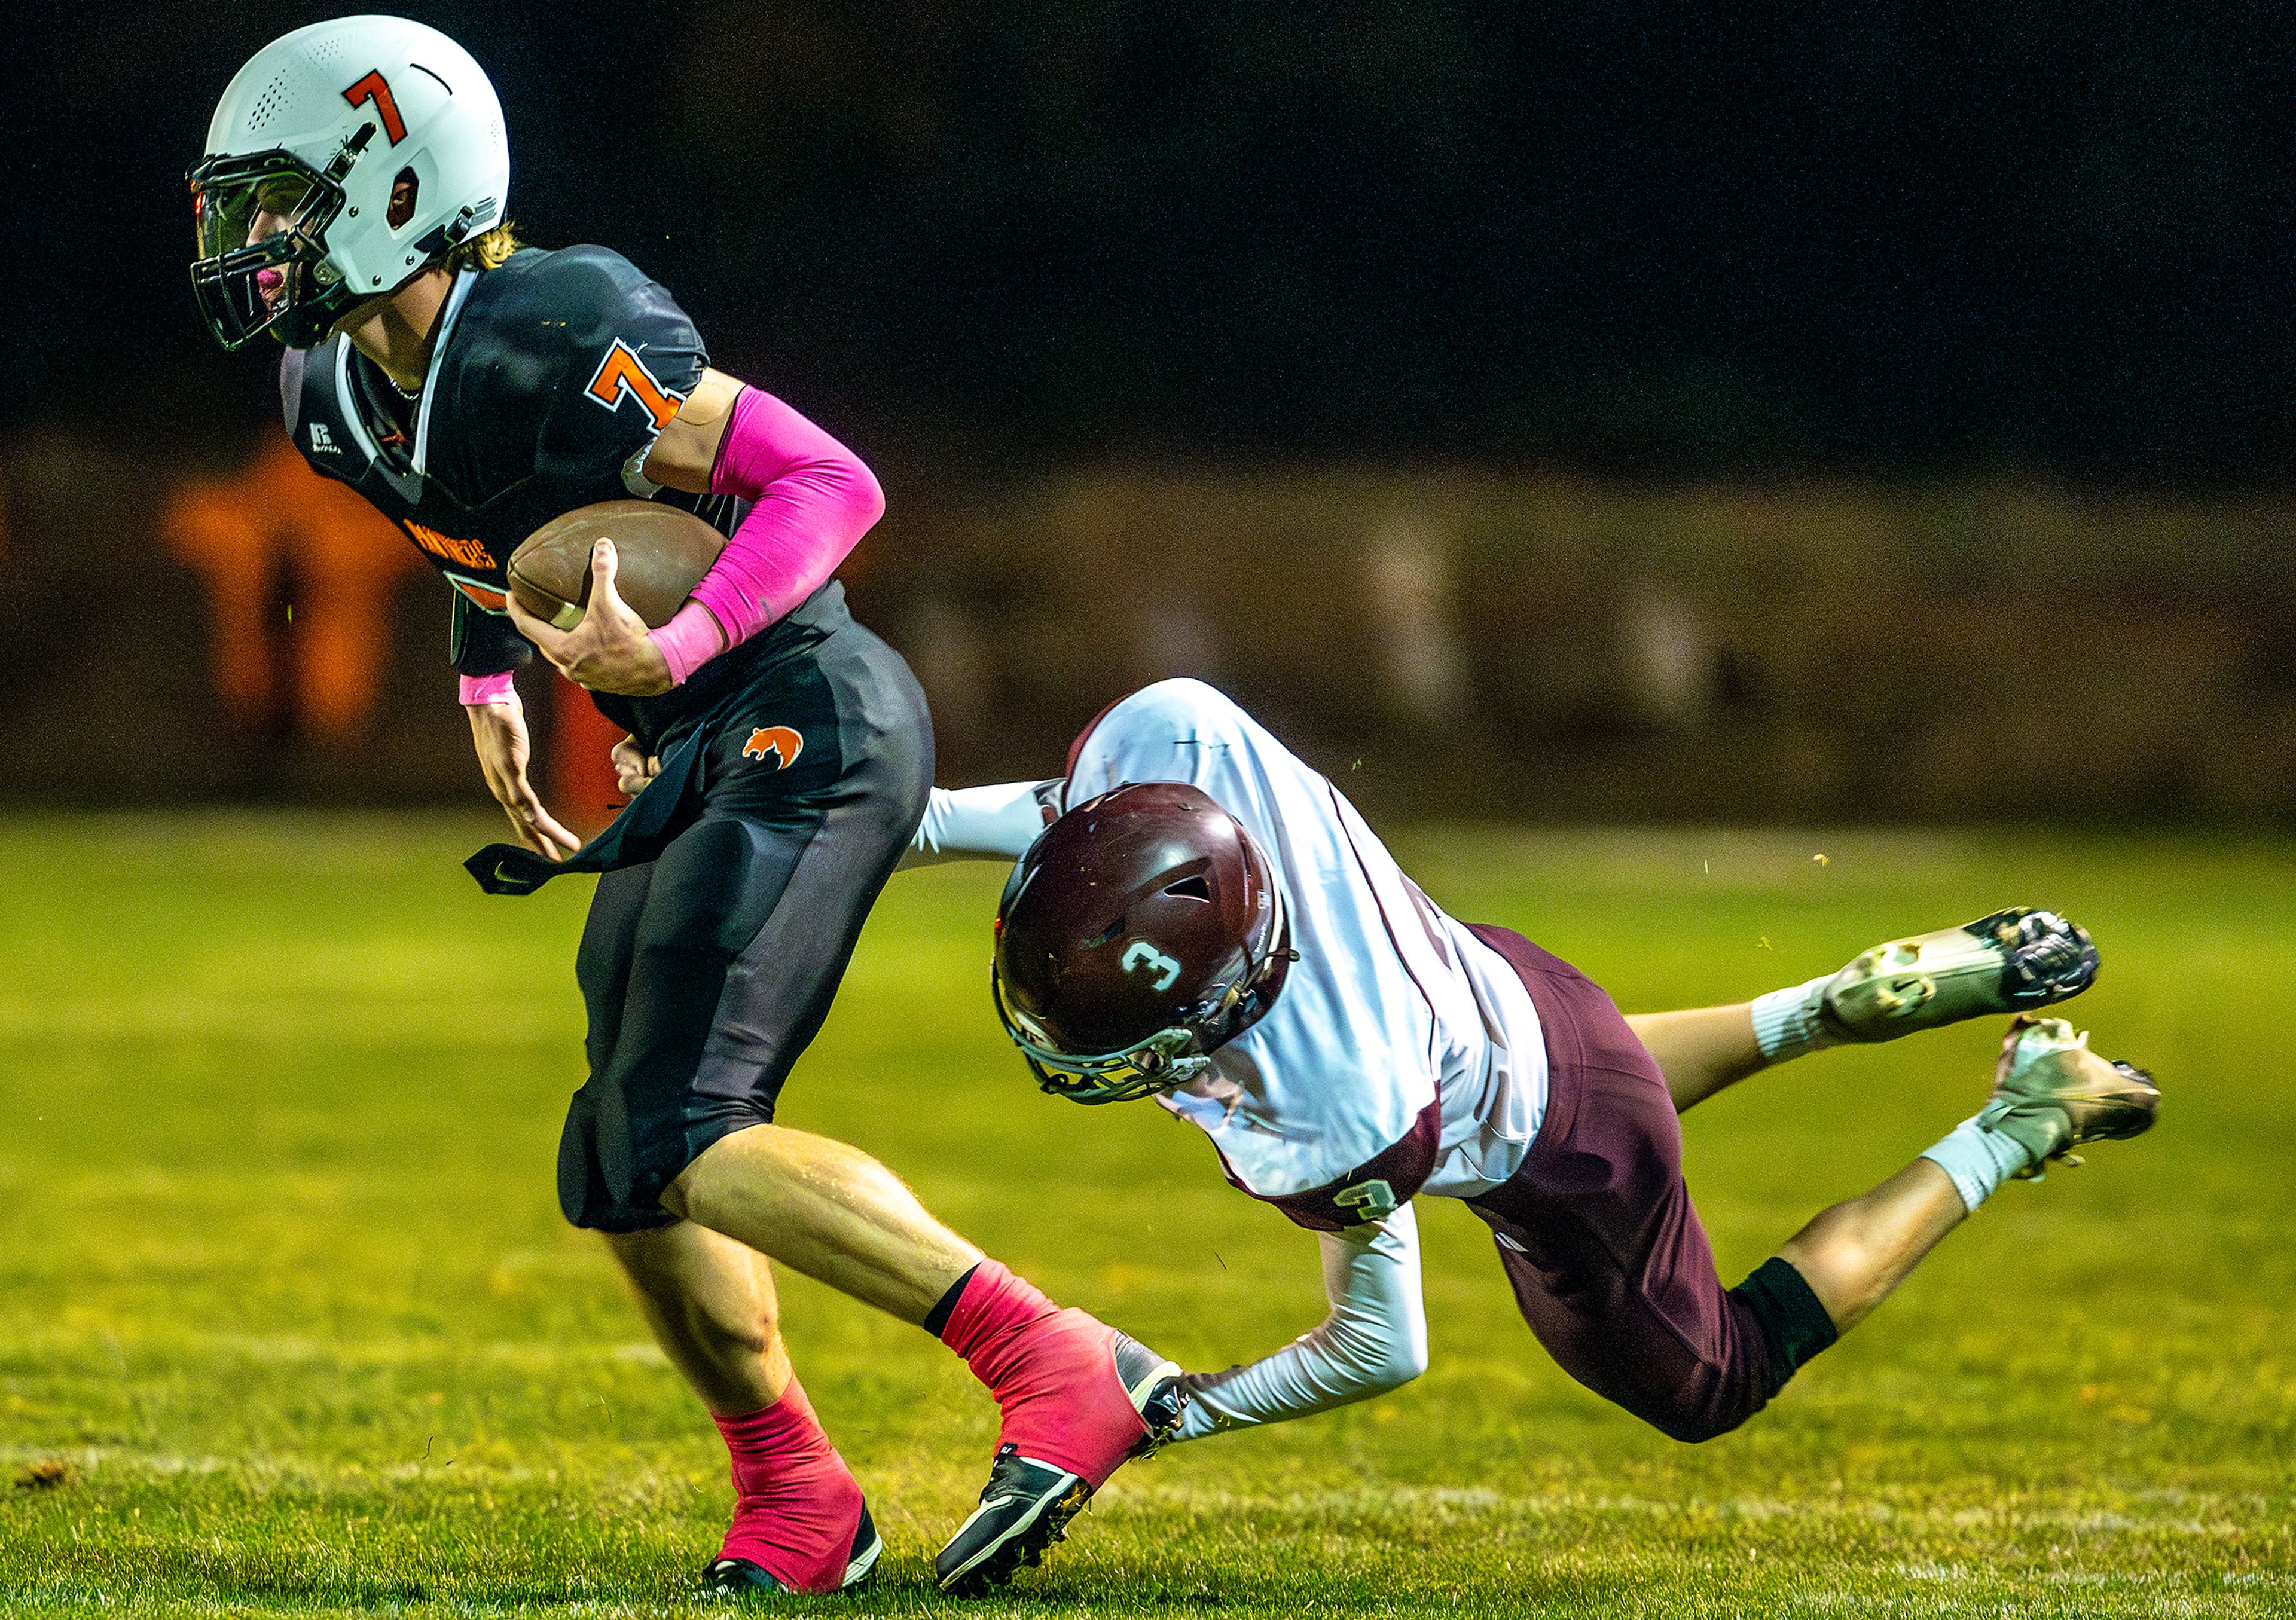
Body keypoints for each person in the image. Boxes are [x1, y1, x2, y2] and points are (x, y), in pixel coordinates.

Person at [188, 17, 1183, 1597]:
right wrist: (488, 687)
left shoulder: (550, 323)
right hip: (689, 752)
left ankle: (1058, 1356)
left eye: (284, 199)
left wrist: (686, 638)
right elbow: (471, 526)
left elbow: (831, 484)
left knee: (691, 1126)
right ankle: (799, 1494)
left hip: (806, 712)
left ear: (395, 188)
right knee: (619, 1157)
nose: (249, 239)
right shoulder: (338, 394)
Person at [900, 678, 2159, 1456]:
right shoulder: (1194, 761)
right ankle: (1825, 1007)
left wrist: (1179, 1407)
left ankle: (2023, 1118)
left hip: (1564, 1154)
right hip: (1526, 999)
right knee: (1573, 1090)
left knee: (1715, 1376)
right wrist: (921, 824)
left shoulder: (1339, 1102)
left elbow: (1381, 1346)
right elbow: (1094, 827)